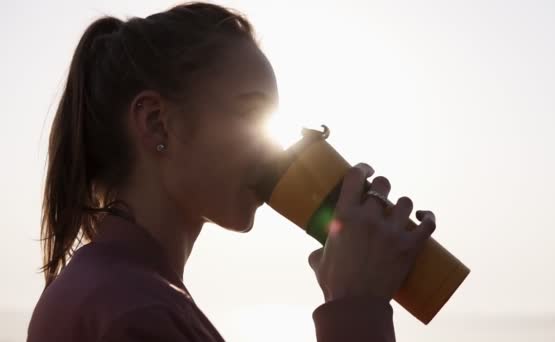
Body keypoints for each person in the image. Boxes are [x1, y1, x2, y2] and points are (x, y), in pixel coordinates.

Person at [27, 2, 437, 341]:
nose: (274, 153)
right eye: (249, 113)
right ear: (156, 123)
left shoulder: (103, 289)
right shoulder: (139, 313)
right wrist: (356, 305)